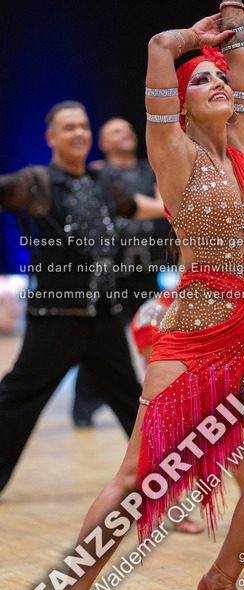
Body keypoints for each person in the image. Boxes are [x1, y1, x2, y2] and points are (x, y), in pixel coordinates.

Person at [37, 6, 244, 590]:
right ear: (178, 105)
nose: (219, 83)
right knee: (137, 479)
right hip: (194, 335)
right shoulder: (172, 151)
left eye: (222, 78)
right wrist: (191, 40)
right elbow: (161, 47)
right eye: (202, 79)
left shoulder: (239, 149)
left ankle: (221, 578)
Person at [0, 101, 158, 493]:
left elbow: (137, 207)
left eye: (84, 126)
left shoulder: (102, 180)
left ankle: (163, 485)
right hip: (56, 318)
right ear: (51, 137)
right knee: (15, 400)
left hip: (103, 318)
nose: (79, 133)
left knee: (132, 403)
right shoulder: (35, 182)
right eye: (69, 127)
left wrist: (186, 210)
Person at [72, 117, 169, 428]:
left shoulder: (151, 170)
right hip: (110, 276)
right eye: (116, 130)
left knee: (158, 338)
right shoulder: (98, 174)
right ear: (103, 143)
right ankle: (84, 409)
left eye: (128, 129)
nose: (125, 133)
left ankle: (161, 400)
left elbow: (169, 204)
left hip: (147, 271)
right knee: (104, 342)